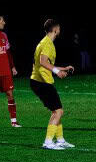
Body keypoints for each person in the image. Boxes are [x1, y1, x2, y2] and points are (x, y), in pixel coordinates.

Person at [30, 19, 76, 150]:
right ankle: (48, 142)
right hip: (41, 82)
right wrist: (57, 71)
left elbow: (44, 63)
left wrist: (62, 68)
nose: (60, 30)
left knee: (57, 111)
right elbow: (43, 61)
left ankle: (60, 140)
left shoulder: (45, 42)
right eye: (59, 28)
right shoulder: (47, 44)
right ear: (55, 30)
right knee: (58, 112)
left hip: (40, 81)